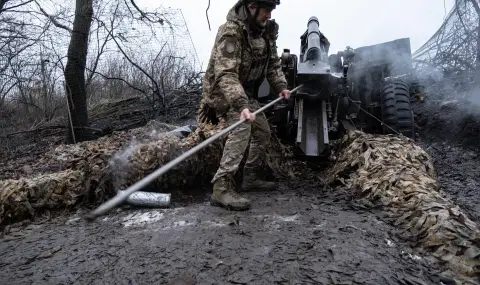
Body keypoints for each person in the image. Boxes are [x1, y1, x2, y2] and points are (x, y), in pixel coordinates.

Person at [197, 0, 291, 211]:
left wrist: (281, 87)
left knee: (263, 131)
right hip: (223, 93)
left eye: (271, 11)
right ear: (252, 7)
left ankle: (250, 177)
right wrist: (241, 105)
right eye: (266, 10)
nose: (269, 15)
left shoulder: (266, 32)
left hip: (245, 92)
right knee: (242, 127)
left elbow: (273, 64)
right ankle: (221, 187)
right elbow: (226, 74)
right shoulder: (230, 32)